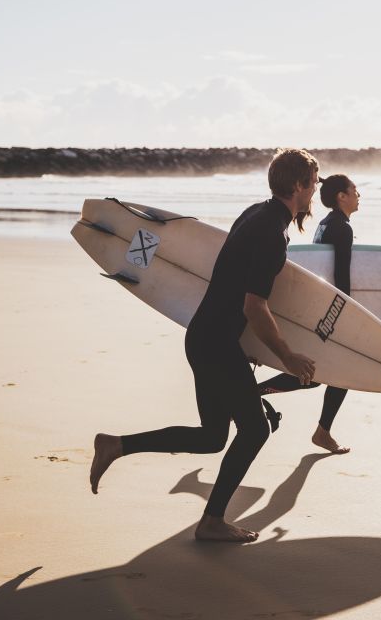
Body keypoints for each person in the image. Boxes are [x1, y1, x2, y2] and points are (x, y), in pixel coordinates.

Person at [88, 148, 320, 543]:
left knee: (213, 437)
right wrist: (287, 356)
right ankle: (212, 521)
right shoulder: (273, 234)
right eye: (313, 183)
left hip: (207, 336)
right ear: (298, 186)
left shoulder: (256, 213)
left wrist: (247, 347)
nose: (315, 190)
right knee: (255, 431)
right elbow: (254, 304)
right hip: (214, 342)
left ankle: (116, 445)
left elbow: (231, 286)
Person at [258, 174, 359, 455]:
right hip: (331, 311)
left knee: (314, 375)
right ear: (341, 196)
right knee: (337, 374)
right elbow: (339, 275)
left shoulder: (327, 224)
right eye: (355, 190)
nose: (358, 195)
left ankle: (320, 430)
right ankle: (321, 431)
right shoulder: (343, 228)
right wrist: (351, 314)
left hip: (319, 308)